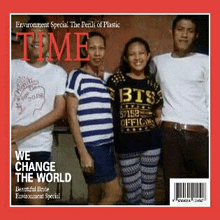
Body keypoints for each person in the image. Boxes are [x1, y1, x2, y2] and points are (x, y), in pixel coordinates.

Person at [11, 15, 67, 205]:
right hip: (9, 144)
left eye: (42, 35)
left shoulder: (58, 73)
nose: (36, 39)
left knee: (36, 206)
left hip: (38, 147)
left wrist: (24, 131)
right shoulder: (11, 67)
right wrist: (10, 142)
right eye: (30, 35)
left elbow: (59, 111)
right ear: (23, 38)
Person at [153, 15, 209, 205]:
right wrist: (157, 114)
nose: (184, 35)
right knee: (175, 198)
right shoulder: (158, 62)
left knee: (199, 198)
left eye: (190, 31)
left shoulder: (206, 61)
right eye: (180, 29)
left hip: (200, 136)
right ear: (172, 32)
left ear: (196, 35)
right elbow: (144, 87)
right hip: (171, 136)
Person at [66, 31, 122, 205]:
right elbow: (71, 114)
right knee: (115, 194)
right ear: (85, 51)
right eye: (92, 48)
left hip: (107, 144)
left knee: (94, 196)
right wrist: (83, 153)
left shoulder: (103, 80)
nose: (97, 53)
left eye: (101, 48)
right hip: (92, 146)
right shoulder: (76, 76)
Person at [106, 37, 163, 205]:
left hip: (152, 146)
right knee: (132, 195)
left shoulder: (153, 84)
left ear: (148, 56)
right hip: (126, 146)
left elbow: (158, 114)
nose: (137, 58)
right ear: (126, 57)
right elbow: (107, 110)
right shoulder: (116, 81)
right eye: (132, 54)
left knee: (148, 194)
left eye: (141, 53)